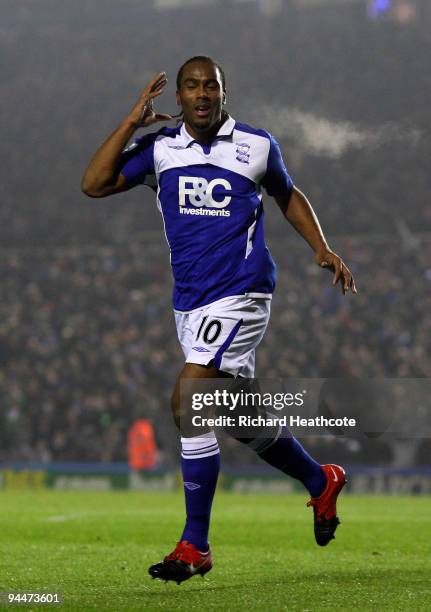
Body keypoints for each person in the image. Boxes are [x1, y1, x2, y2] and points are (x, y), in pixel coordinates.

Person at [82, 56, 357, 584]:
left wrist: (321, 247)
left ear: (224, 93)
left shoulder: (256, 145)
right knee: (239, 420)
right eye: (192, 86)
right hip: (190, 304)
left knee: (189, 399)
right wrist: (130, 122)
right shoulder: (161, 150)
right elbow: (94, 184)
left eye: (212, 86)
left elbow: (287, 194)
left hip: (243, 294)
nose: (202, 94)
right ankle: (321, 481)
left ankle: (195, 544)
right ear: (179, 98)